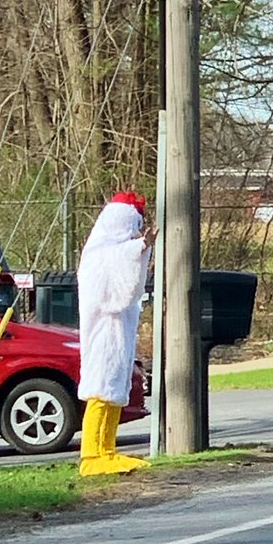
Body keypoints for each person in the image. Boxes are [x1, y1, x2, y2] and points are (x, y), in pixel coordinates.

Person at [77, 190, 157, 476]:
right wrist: (140, 248)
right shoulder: (100, 253)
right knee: (100, 389)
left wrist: (140, 248)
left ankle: (107, 450)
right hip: (102, 330)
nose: (135, 233)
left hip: (117, 330)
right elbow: (119, 268)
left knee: (112, 390)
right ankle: (91, 455)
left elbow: (127, 280)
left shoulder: (110, 251)